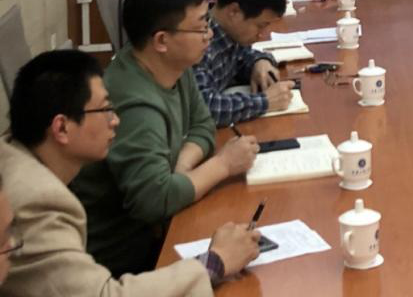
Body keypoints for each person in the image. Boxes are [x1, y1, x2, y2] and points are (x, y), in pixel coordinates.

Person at [0, 50, 261, 296]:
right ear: (61, 128)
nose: (116, 120)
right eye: (105, 110)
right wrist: (216, 262)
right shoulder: (37, 201)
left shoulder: (17, 153)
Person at [71, 0, 259, 276]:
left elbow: (203, 125)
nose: (209, 35)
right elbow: (154, 201)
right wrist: (224, 164)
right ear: (161, 40)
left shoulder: (171, 65)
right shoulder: (135, 105)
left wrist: (182, 168)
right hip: (122, 260)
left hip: (158, 227)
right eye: (201, 27)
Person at [194, 0, 295, 127]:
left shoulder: (229, 34)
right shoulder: (199, 42)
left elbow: (244, 56)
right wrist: (265, 101)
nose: (261, 35)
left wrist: (260, 62)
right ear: (234, 11)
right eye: (260, 25)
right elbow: (203, 108)